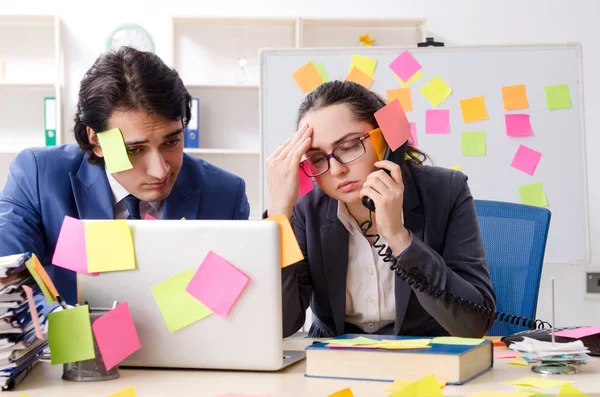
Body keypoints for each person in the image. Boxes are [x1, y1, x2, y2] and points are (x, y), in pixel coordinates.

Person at [0, 47, 250, 304]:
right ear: (96, 140)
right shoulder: (37, 177)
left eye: (171, 141)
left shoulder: (225, 195)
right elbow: (9, 292)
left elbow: (231, 307)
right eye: (135, 149)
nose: (160, 170)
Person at [266, 81, 496, 338]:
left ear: (387, 140)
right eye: (318, 158)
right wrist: (279, 217)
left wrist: (399, 237)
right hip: (334, 358)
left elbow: (474, 324)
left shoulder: (446, 191)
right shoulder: (305, 210)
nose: (336, 170)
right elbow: (282, 325)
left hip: (424, 357)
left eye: (350, 146)